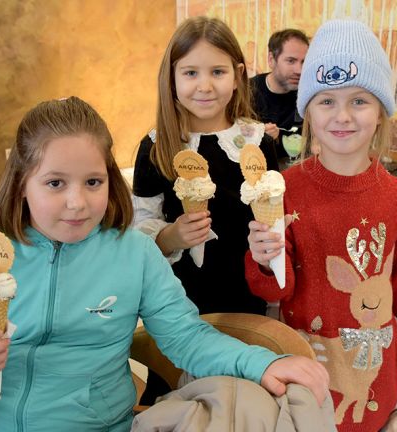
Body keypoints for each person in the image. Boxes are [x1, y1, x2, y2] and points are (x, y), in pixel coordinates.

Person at [0, 96, 329, 432]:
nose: (77, 203)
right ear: (21, 183)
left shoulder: (135, 254)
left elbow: (186, 338)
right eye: (55, 183)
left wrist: (262, 364)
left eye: (93, 182)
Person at [245, 20, 397, 431]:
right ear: (308, 111)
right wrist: (264, 259)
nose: (342, 116)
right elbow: (274, 291)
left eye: (359, 100)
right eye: (326, 101)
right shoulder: (282, 190)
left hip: (375, 375)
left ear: (380, 112)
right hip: (304, 369)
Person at [132, 17, 279, 403]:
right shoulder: (155, 148)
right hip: (179, 304)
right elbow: (140, 228)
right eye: (190, 72)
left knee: (244, 398)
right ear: (171, 79)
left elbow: (275, 215)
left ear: (238, 75)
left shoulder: (258, 143)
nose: (205, 85)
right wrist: (171, 236)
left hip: (247, 296)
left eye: (217, 71)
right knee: (184, 400)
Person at [250, 29, 309, 156]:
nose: (299, 70)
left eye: (304, 62)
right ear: (271, 59)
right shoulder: (247, 92)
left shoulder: (308, 96)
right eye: (291, 61)